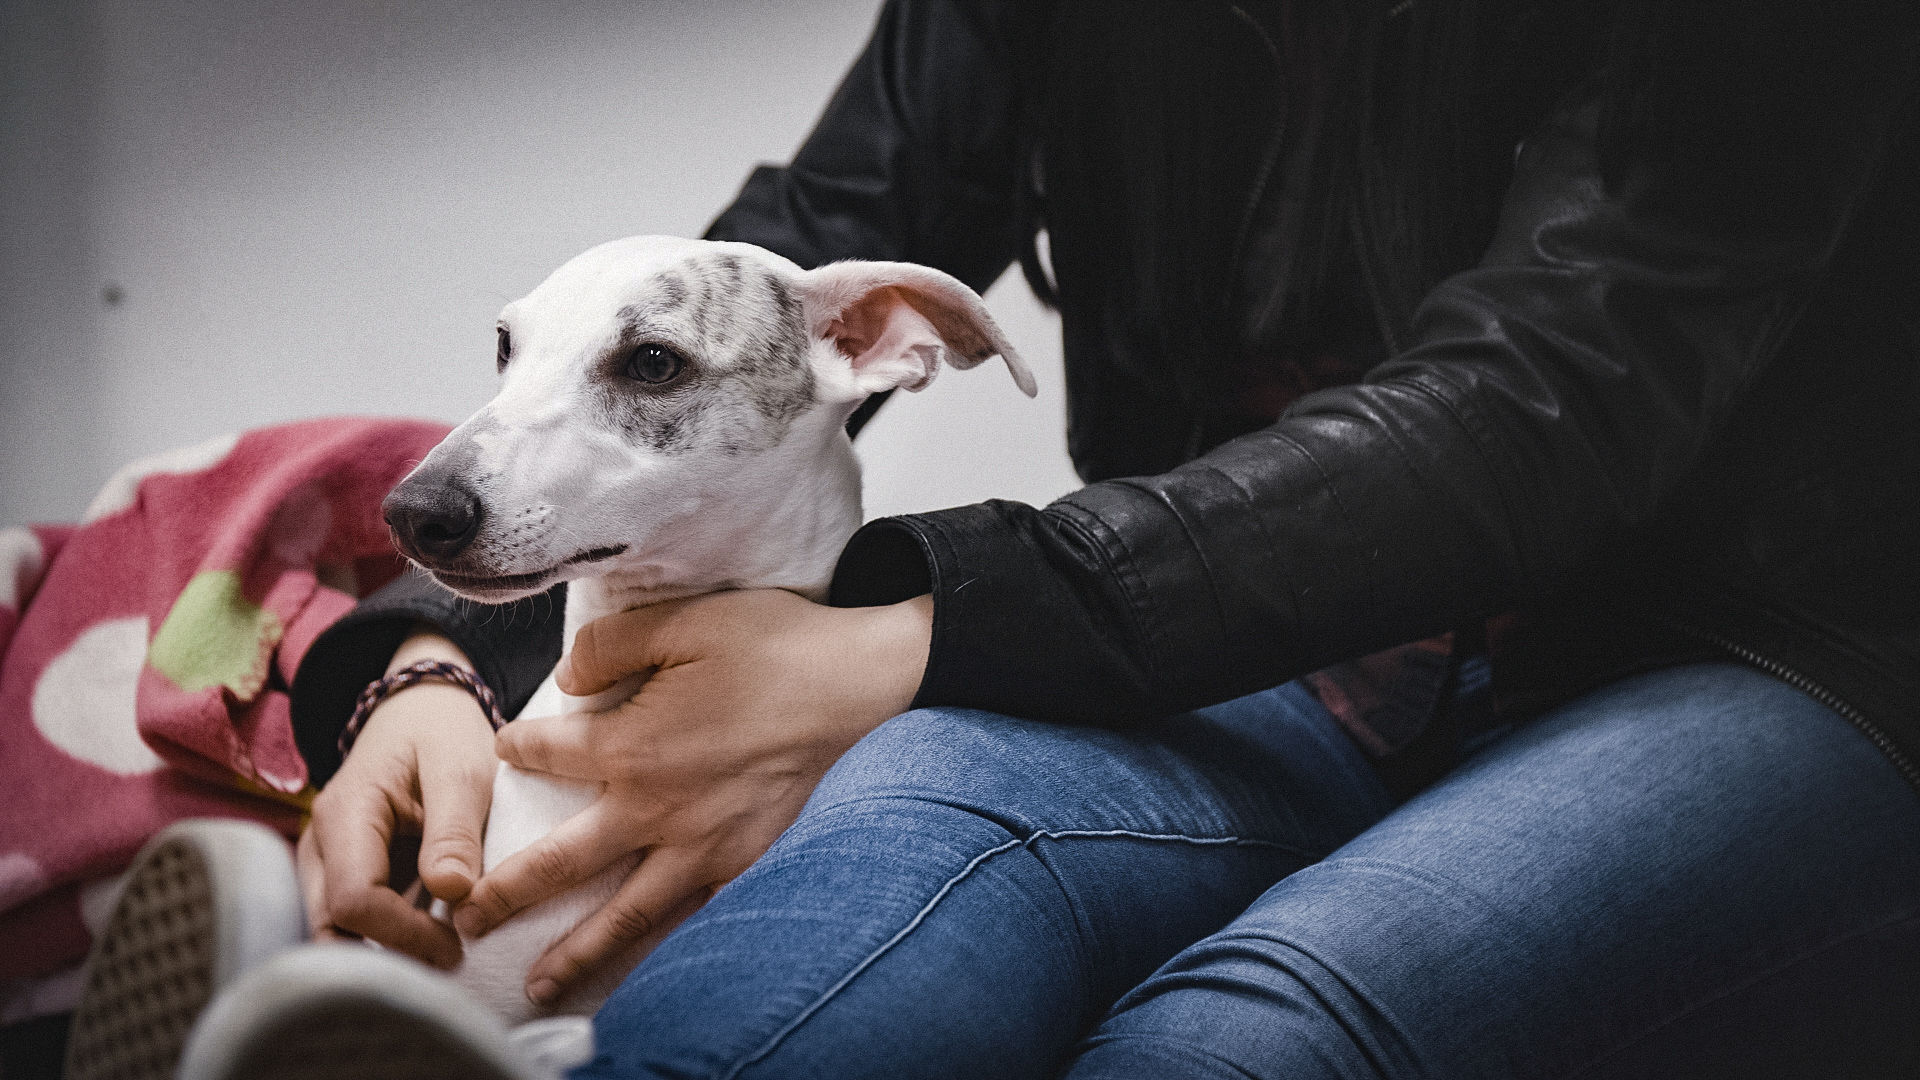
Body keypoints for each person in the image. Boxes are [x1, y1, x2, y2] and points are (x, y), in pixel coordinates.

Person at [285, 0, 1920, 1076]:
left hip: (1742, 652)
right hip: (1243, 652)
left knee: (1244, 1038)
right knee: (887, 873)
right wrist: (433, 655)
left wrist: (918, 631)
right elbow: (758, 293)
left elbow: (1553, 398)